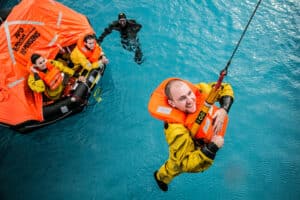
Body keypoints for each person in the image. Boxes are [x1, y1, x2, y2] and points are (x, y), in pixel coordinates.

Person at [148, 78, 234, 191]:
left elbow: (225, 87)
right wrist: (212, 148)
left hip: (204, 138)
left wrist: (224, 110)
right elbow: (184, 163)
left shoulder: (200, 91)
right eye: (182, 98)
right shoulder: (176, 131)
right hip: (186, 148)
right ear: (172, 103)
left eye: (189, 93)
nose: (190, 100)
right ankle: (160, 177)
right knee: (174, 166)